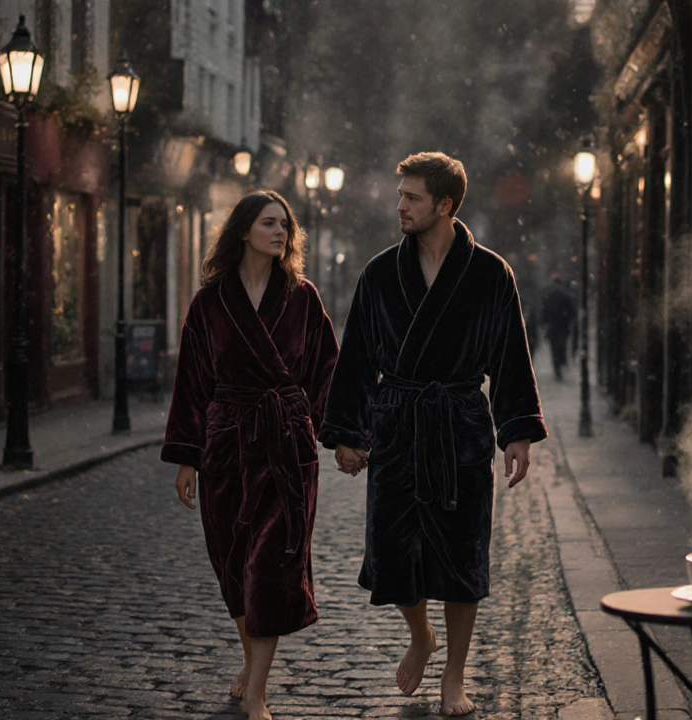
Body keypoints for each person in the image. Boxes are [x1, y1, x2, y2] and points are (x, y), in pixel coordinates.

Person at [319, 152, 547, 717]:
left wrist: (516, 430)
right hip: (397, 424)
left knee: (461, 557)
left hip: (459, 425)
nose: (400, 206)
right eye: (400, 195)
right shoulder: (378, 274)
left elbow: (511, 356)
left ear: (444, 205)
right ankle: (421, 635)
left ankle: (454, 675)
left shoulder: (490, 273)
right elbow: (354, 359)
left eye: (412, 197)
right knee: (393, 554)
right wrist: (348, 430)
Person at [162, 190, 338, 720]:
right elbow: (192, 382)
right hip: (227, 447)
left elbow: (328, 371)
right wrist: (186, 456)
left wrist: (344, 436)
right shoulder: (210, 304)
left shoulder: (302, 298)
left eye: (285, 224)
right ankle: (250, 661)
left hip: (287, 448)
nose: (281, 232)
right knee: (235, 568)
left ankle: (257, 689)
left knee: (270, 567)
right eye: (269, 223)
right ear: (244, 231)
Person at [539, 274, 578, 380]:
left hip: (553, 325)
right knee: (562, 345)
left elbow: (544, 310)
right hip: (563, 325)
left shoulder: (549, 295)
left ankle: (557, 365)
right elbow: (572, 311)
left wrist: (544, 322)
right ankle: (561, 362)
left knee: (554, 346)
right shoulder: (566, 295)